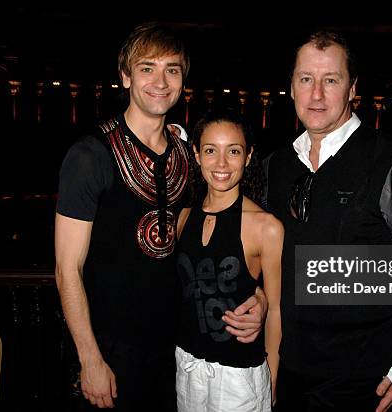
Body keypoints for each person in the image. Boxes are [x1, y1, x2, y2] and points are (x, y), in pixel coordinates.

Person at [54, 22, 266, 411]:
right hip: (109, 357)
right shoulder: (90, 156)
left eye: (172, 69)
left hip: (177, 356)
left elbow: (222, 236)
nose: (160, 80)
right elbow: (67, 268)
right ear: (125, 77)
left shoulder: (188, 157)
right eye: (147, 67)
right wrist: (89, 358)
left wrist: (260, 297)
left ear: (183, 80)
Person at [265, 30, 392, 412]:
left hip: (365, 378)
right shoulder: (275, 166)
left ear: (352, 89)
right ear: (292, 86)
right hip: (290, 368)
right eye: (305, 79)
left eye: (331, 80)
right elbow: (266, 260)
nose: (316, 94)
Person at [175, 109, 283, 411]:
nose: (221, 164)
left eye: (233, 151)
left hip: (240, 377)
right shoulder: (182, 218)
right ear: (196, 155)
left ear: (248, 157)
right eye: (211, 151)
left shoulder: (266, 226)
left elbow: (275, 308)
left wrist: (272, 375)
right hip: (186, 365)